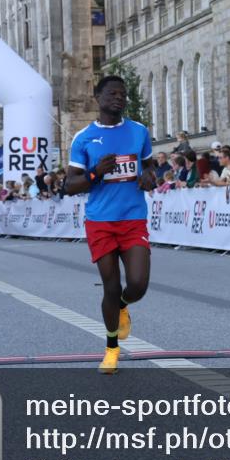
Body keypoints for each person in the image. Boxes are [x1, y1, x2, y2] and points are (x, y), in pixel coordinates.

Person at [65, 74, 158, 374]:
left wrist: (149, 176)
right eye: (113, 94)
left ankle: (123, 305)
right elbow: (69, 185)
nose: (119, 98)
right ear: (98, 98)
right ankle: (111, 349)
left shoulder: (139, 131)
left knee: (138, 285)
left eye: (123, 94)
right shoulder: (83, 138)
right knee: (111, 284)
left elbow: (150, 164)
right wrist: (95, 173)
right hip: (100, 222)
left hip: (132, 218)